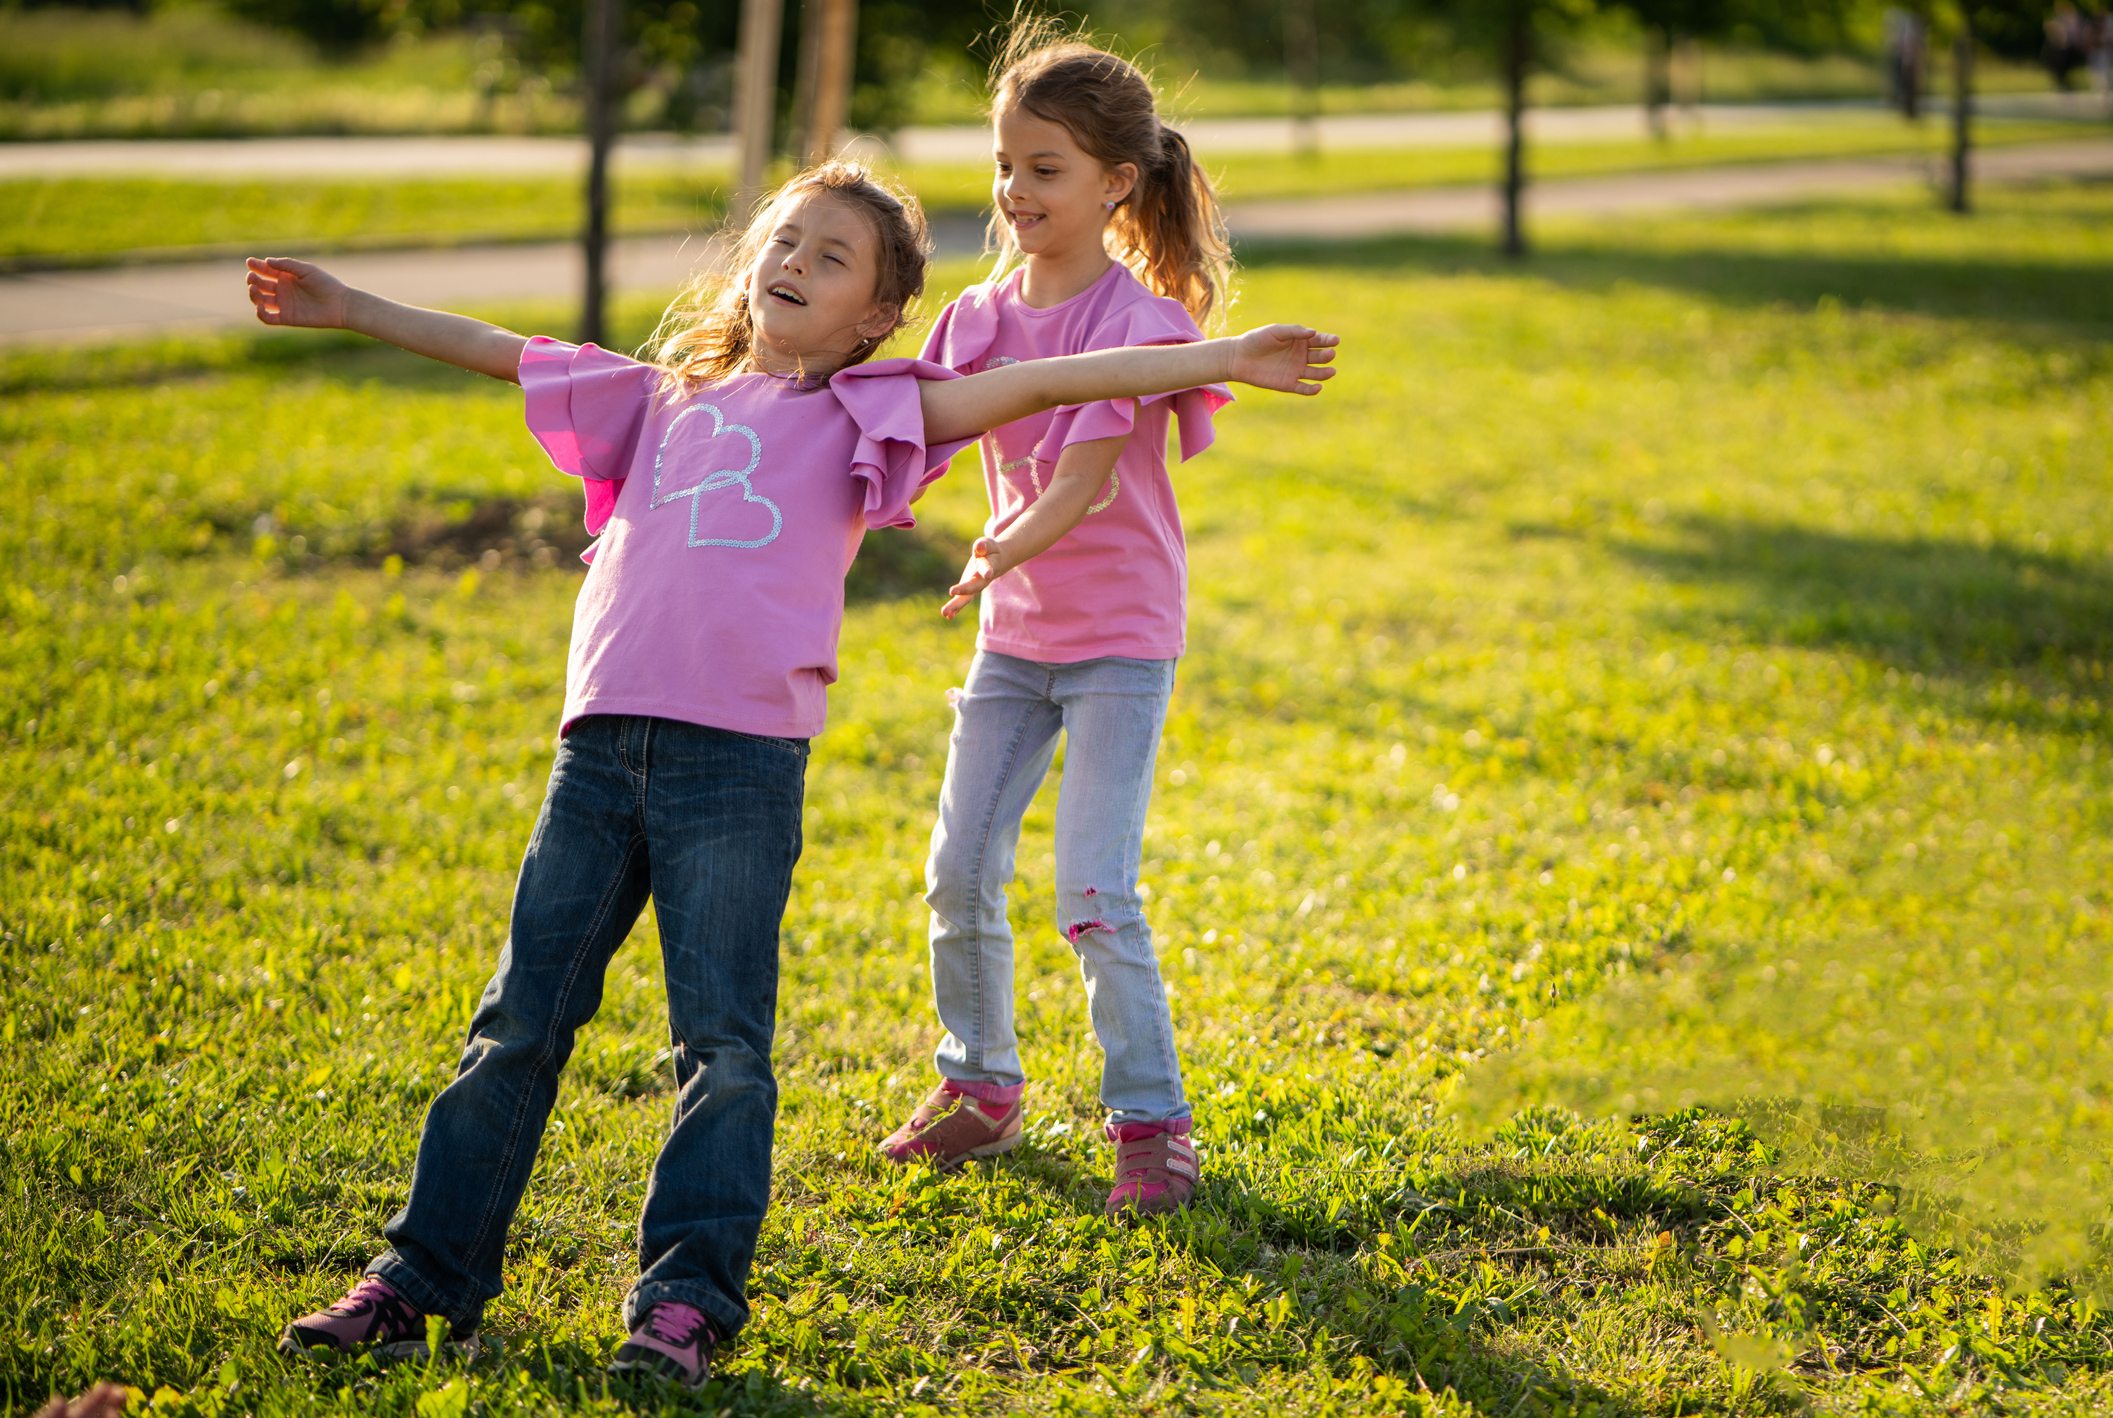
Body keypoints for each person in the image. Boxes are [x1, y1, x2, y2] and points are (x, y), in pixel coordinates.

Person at [246, 161, 1339, 1386]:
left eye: (833, 259)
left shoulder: (873, 414)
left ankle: (686, 1302)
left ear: (878, 314)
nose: (795, 265)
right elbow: (498, 348)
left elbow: (1046, 380)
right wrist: (349, 306)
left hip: (738, 770)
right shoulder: (656, 395)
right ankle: (421, 1277)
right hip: (598, 757)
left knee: (722, 1048)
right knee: (516, 1025)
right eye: (785, 240)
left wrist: (1220, 356)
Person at [876, 31, 1299, 1219]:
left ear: (1117, 182)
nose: (1015, 193)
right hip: (1012, 637)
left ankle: (1152, 1121)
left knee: (1092, 889)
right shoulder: (978, 313)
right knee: (957, 866)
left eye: (1045, 169)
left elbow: (1075, 477)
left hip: (1115, 637)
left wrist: (997, 544)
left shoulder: (1143, 324)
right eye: (1005, 165)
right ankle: (980, 1086)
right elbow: (920, 424)